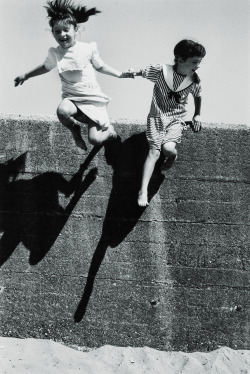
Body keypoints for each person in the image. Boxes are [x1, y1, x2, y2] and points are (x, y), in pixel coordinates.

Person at [14, 0, 133, 151]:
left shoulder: (88, 48)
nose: (62, 35)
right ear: (52, 33)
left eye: (66, 30)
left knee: (95, 140)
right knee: (62, 111)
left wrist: (120, 74)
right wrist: (26, 75)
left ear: (76, 29)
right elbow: (45, 67)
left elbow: (100, 66)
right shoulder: (55, 53)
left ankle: (109, 132)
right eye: (57, 31)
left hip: (91, 99)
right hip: (72, 98)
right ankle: (75, 131)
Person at [128, 39, 206, 207]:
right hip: (156, 117)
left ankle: (173, 157)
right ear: (179, 60)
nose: (197, 66)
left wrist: (197, 115)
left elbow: (198, 96)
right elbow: (143, 71)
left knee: (168, 149)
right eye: (194, 62)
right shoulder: (162, 71)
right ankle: (143, 190)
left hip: (176, 119)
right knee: (154, 152)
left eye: (199, 62)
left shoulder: (193, 80)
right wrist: (130, 72)